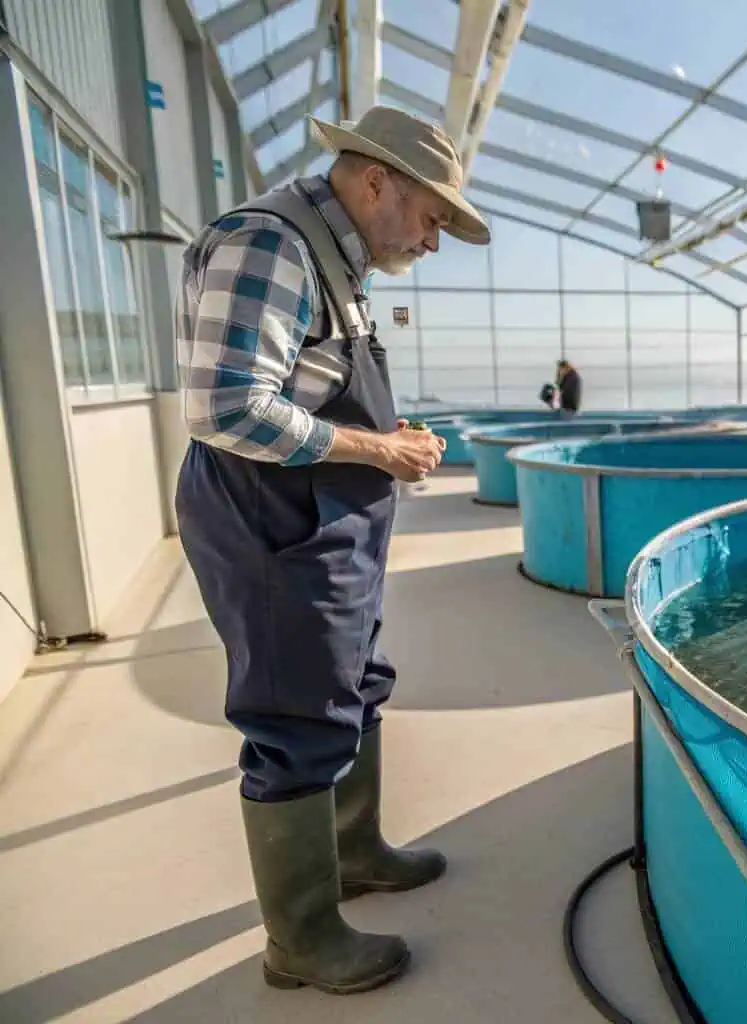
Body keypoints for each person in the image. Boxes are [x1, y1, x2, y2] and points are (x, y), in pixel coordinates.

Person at [173, 106, 491, 995]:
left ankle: (354, 854)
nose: (433, 241)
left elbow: (307, 388)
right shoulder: (270, 243)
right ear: (377, 180)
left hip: (325, 521)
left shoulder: (333, 258)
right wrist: (379, 450)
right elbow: (225, 407)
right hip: (273, 521)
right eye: (432, 217)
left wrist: (386, 436)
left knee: (351, 685)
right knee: (294, 719)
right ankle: (301, 940)